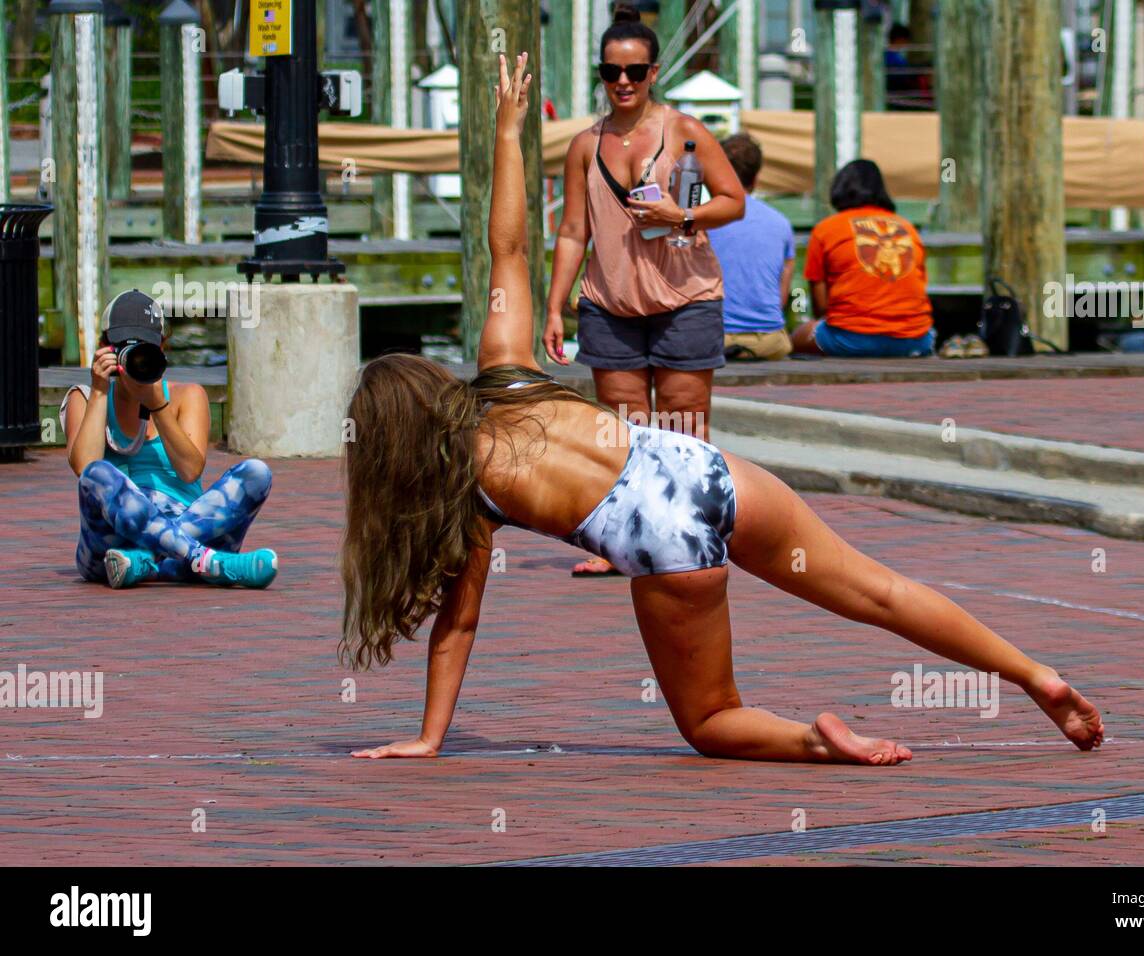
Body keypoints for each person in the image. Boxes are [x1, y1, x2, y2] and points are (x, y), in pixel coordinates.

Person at [344, 53, 1105, 765]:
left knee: (709, 723)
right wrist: (510, 133)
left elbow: (460, 624)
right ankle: (1032, 672)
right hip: (704, 470)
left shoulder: (465, 494)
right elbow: (507, 247)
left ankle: (813, 740)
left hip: (659, 536)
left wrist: (429, 736)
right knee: (880, 588)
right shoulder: (504, 375)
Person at [542, 3, 746, 575]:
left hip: (685, 299)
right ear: (601, 75)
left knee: (684, 428)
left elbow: (734, 202)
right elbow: (570, 232)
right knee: (622, 432)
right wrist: (555, 307)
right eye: (611, 73)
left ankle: (692, 535)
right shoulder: (586, 143)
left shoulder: (684, 132)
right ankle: (622, 546)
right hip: (610, 304)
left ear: (654, 72)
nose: (623, 83)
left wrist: (684, 216)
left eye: (634, 72)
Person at [61, 290, 278, 589]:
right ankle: (206, 562)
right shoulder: (84, 398)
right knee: (97, 474)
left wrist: (157, 405)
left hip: (177, 524)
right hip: (108, 544)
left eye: (145, 349)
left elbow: (189, 470)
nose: (135, 358)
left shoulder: (186, 396)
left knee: (257, 473)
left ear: (162, 349)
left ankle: (147, 563)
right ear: (104, 348)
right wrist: (99, 391)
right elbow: (85, 468)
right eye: (124, 348)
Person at [792, 159, 936, 358]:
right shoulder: (909, 229)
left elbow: (821, 306)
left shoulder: (825, 229)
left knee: (798, 335)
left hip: (851, 340)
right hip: (917, 341)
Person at [709, 132, 796, 362]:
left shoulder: (701, 219)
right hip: (770, 341)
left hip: (714, 339)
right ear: (756, 178)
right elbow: (783, 298)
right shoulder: (781, 223)